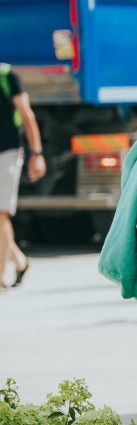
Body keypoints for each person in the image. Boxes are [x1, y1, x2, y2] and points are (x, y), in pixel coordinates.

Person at [0, 64, 44, 289]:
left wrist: (36, 154)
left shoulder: (7, 76)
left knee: (0, 214)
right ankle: (18, 261)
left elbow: (27, 115)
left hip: (6, 152)